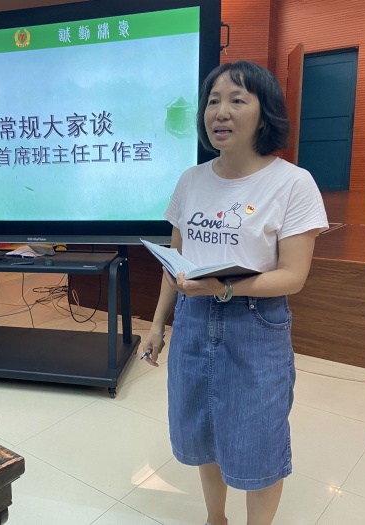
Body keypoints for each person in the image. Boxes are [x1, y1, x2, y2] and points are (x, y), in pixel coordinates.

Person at [140, 60, 329, 525]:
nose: (219, 112)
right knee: (203, 431)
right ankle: (215, 519)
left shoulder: (293, 183)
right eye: (212, 101)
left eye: (237, 100)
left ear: (265, 115)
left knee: (258, 442)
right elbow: (175, 262)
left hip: (255, 325)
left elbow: (293, 276)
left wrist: (224, 285)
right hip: (192, 321)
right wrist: (158, 324)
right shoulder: (191, 180)